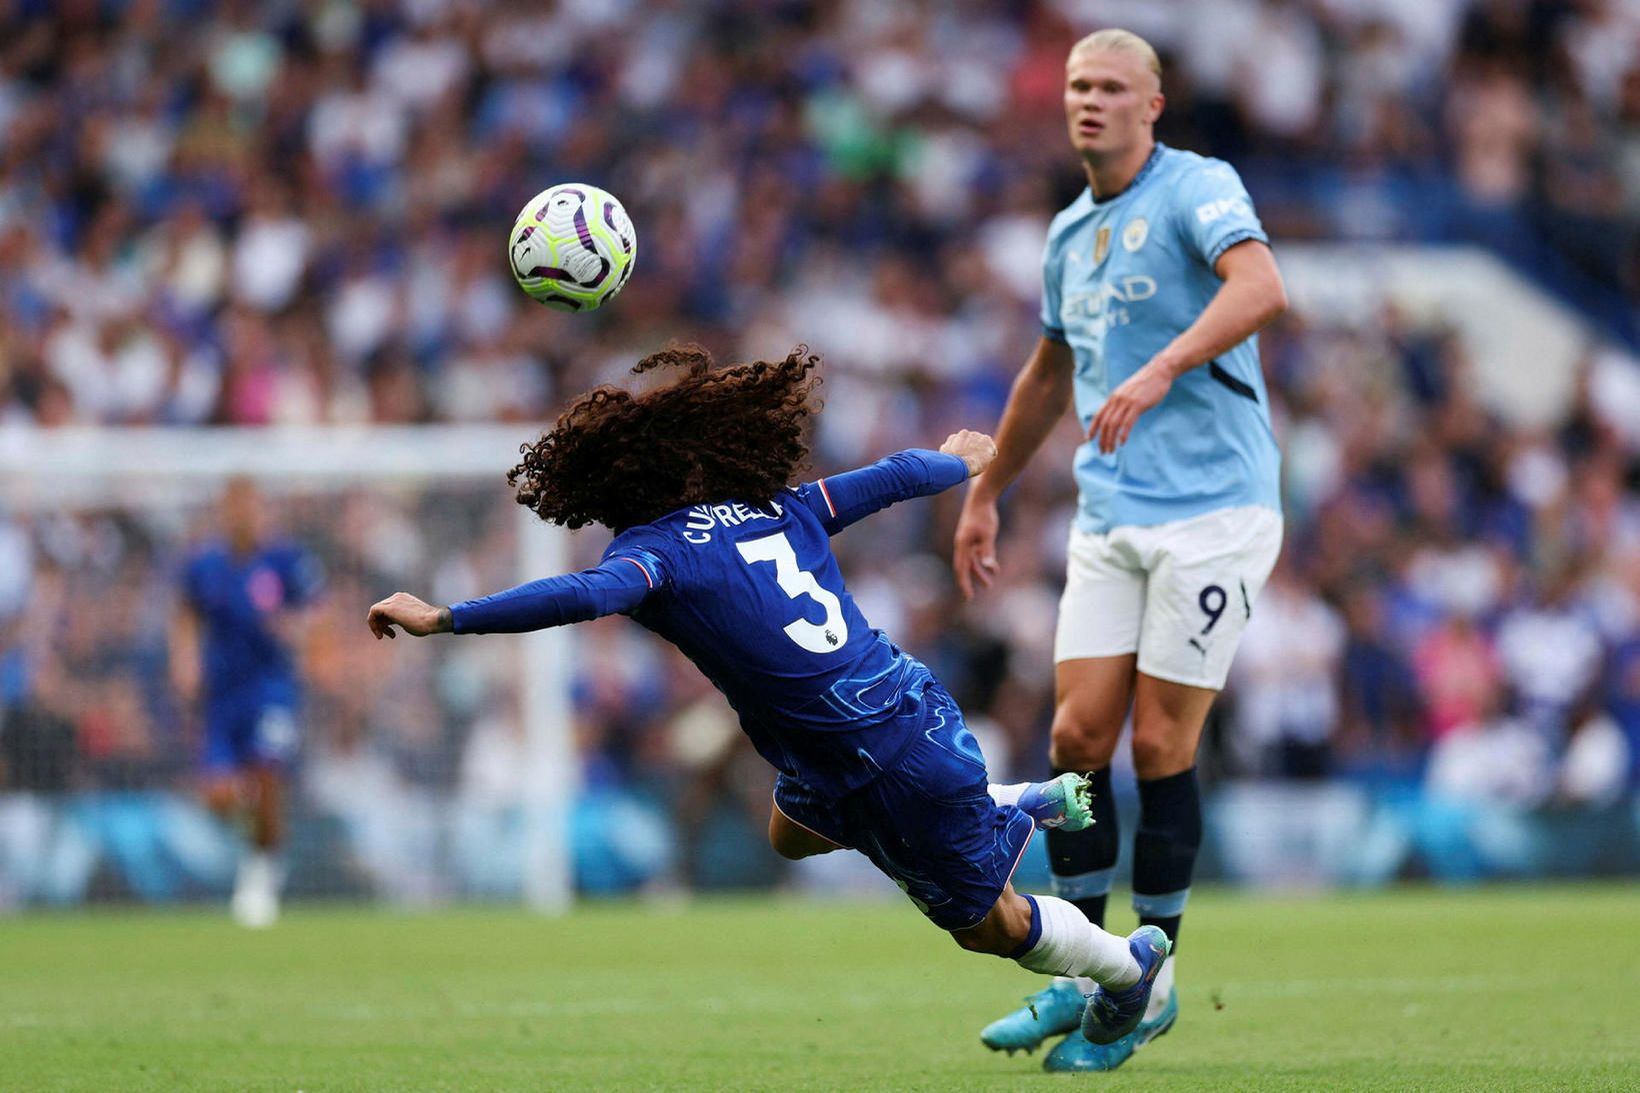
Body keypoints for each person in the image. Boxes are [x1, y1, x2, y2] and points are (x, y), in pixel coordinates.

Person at [367, 344, 1170, 1047]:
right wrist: (956, 462)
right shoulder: (777, 505)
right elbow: (889, 478)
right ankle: (1011, 800)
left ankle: (1124, 968)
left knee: (989, 926)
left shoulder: (653, 556)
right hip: (897, 710)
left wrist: (448, 617)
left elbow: (577, 595)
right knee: (790, 830)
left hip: (879, 757)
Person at [953, 29, 1288, 1072]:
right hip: (1110, 516)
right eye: (1075, 87)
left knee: (1157, 746)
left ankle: (1156, 982)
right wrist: (986, 489)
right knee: (1073, 737)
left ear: (1151, 103)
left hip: (1215, 510)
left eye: (1109, 88)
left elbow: (1260, 286)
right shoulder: (1064, 234)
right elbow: (1046, 375)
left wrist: (1158, 369)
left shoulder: (1195, 188)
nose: (1088, 102)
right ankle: (1092, 970)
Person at [171, 477, 323, 927]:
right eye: (236, 507)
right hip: (221, 696)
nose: (245, 516)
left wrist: (294, 629)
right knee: (216, 796)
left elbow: (318, 613)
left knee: (267, 775)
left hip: (270, 690)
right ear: (225, 512)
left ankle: (262, 873)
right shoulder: (205, 565)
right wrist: (184, 661)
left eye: (253, 507)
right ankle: (261, 836)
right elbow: (185, 615)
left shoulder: (286, 560)